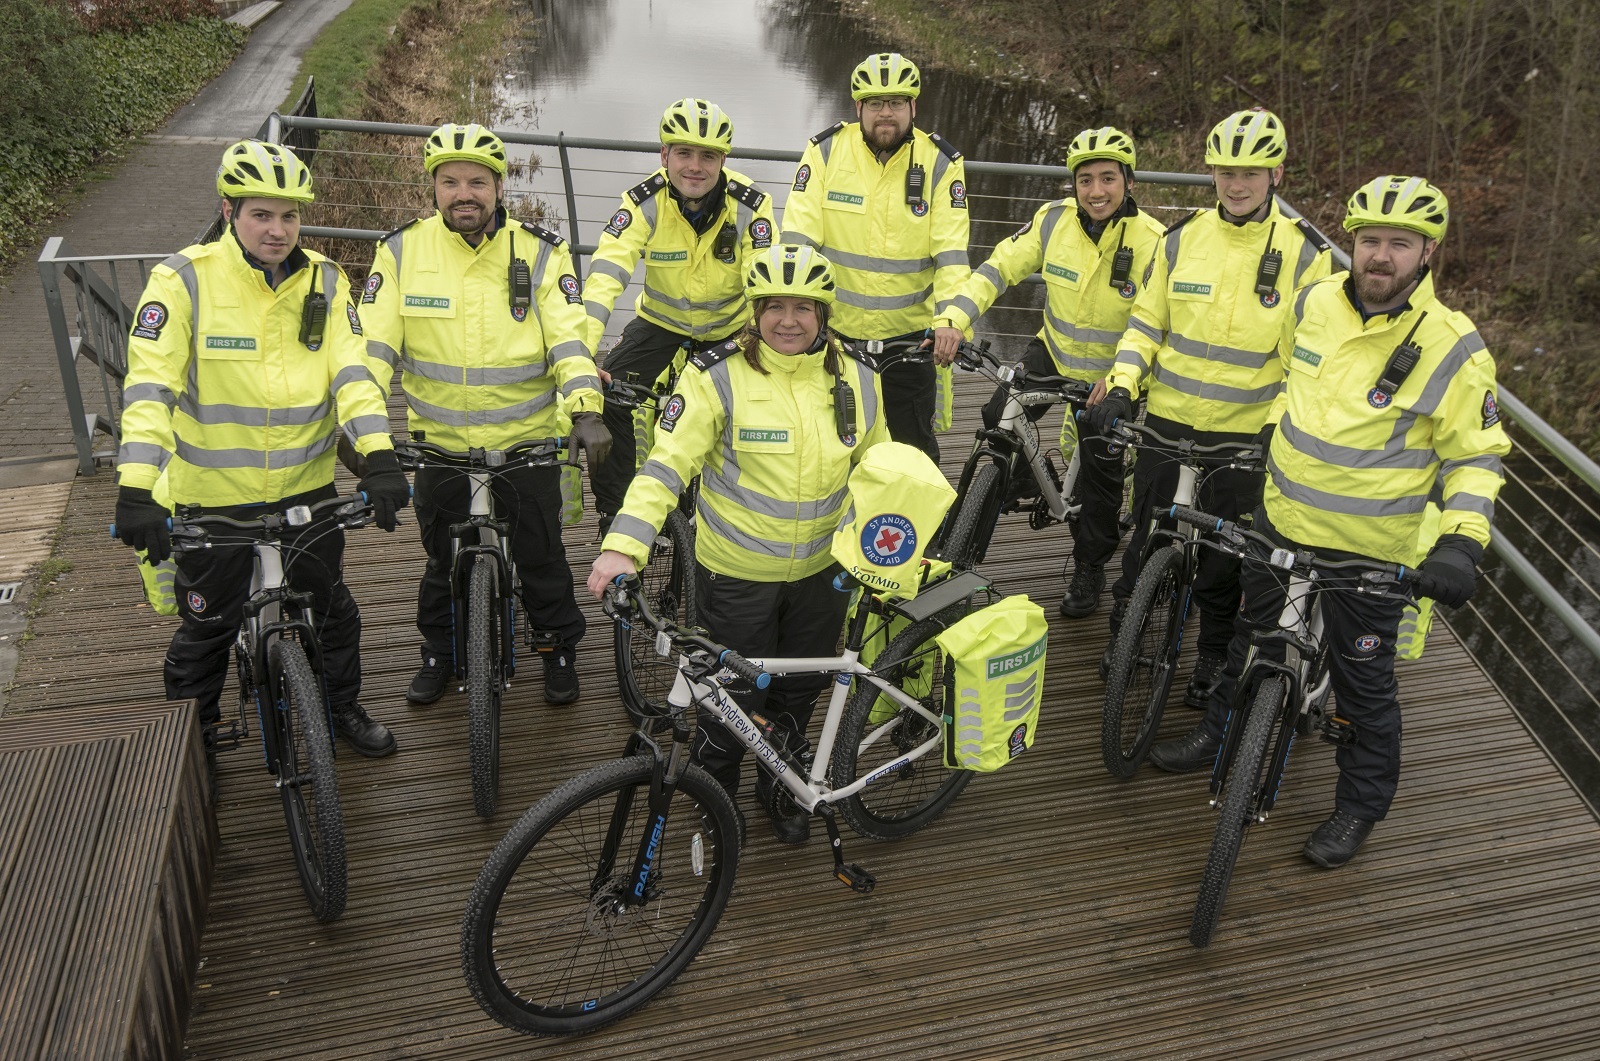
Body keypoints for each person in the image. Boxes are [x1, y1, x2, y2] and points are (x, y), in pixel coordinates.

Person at [1146, 174, 1510, 867]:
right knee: (1247, 643)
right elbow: (1290, 385)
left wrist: (1463, 542)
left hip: (1370, 553)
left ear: (1428, 251)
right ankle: (1217, 736)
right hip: (1281, 523)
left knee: (1363, 689)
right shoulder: (1313, 304)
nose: (1380, 256)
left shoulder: (1454, 347)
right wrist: (1265, 440)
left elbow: (1476, 457)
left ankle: (1357, 808)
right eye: (1370, 239)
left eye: (1398, 244)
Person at [587, 244, 889, 843]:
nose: (788, 321)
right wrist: (624, 544)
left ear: (823, 314)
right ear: (754, 312)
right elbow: (665, 466)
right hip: (736, 573)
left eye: (804, 307)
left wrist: (894, 547)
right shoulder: (714, 376)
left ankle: (781, 785)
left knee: (801, 689)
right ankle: (717, 795)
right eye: (773, 306)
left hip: (821, 573)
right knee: (728, 700)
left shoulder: (858, 375)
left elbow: (880, 467)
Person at [114, 140, 407, 757]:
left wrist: (377, 457)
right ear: (229, 212)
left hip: (307, 490)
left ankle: (341, 708)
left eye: (290, 216)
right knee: (207, 629)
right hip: (212, 498)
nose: (278, 231)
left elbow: (352, 377)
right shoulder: (182, 280)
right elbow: (151, 388)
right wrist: (136, 487)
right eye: (261, 216)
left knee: (332, 612)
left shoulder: (327, 280)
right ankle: (196, 746)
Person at [1087, 108, 1333, 706]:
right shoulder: (1181, 241)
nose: (1236, 183)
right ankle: (1127, 636)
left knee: (1226, 563)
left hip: (1244, 436)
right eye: (1225, 170)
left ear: (1276, 173)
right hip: (1168, 423)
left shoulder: (1308, 257)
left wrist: (1274, 430)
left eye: (1250, 170)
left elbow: (1309, 361)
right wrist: (1122, 383)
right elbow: (1145, 323)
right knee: (1148, 535)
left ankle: (1210, 657)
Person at [362, 123, 610, 707]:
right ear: (434, 187)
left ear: (500, 187)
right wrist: (368, 435)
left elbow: (569, 343)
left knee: (542, 555)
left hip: (524, 443)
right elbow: (372, 353)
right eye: (449, 182)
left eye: (476, 181)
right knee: (439, 560)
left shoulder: (543, 254)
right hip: (438, 447)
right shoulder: (400, 252)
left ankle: (556, 647)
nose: (462, 193)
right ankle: (439, 653)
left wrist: (585, 410)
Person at [931, 126, 1166, 618]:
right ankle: (1015, 479)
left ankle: (1088, 566)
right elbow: (998, 269)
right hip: (1054, 354)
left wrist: (1124, 382)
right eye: (1085, 180)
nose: (1096, 191)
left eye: (1108, 179)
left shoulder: (1153, 242)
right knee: (1000, 411)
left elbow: (1153, 324)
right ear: (1073, 185)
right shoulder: (1051, 221)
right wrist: (954, 318)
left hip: (1112, 376)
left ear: (1128, 181)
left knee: (1100, 478)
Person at [583, 98, 777, 534]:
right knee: (608, 392)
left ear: (723, 160)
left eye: (707, 156)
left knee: (755, 408)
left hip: (730, 329)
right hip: (659, 325)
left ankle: (737, 508)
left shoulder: (750, 205)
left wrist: (762, 340)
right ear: (664, 156)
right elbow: (606, 276)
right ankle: (617, 511)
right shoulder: (643, 202)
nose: (695, 166)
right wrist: (583, 352)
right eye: (683, 153)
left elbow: (763, 281)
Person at [782, 52, 969, 462]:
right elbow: (797, 242)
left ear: (913, 107)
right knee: (827, 454)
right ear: (858, 108)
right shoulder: (826, 153)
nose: (886, 113)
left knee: (913, 459)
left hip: (910, 342)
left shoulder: (940, 163)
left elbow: (952, 255)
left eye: (897, 102)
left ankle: (923, 529)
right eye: (875, 103)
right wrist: (791, 316)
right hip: (835, 339)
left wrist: (951, 321)